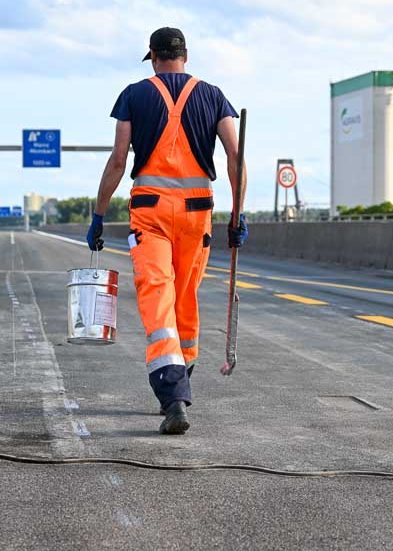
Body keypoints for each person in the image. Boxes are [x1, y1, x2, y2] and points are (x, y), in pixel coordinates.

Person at [88, 26, 248, 435]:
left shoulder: (133, 95)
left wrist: (98, 215)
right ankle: (182, 378)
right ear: (185, 56)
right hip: (198, 214)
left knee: (158, 294)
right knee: (184, 298)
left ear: (154, 57)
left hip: (151, 213)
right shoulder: (214, 95)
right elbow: (235, 156)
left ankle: (174, 395)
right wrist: (237, 215)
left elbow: (118, 161)